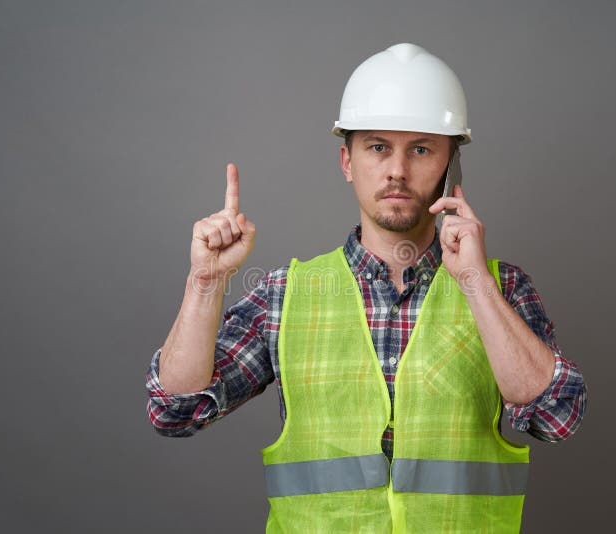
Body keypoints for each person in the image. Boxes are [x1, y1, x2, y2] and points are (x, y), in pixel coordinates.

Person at [146, 43, 586, 533]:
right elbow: (175, 411)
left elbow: (557, 418)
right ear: (347, 162)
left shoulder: (500, 288)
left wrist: (475, 284)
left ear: (449, 167)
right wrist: (205, 282)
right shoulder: (286, 296)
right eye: (377, 147)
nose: (396, 170)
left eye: (421, 149)